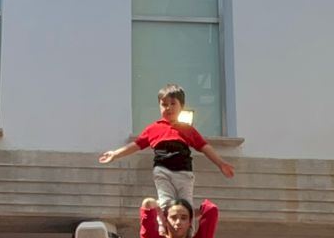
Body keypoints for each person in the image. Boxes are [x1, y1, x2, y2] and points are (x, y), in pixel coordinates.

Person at [98, 84, 234, 213]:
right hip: (162, 172)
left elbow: (205, 147)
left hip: (184, 173)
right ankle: (162, 223)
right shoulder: (153, 128)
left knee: (186, 206)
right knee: (166, 204)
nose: (168, 108)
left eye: (173, 104)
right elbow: (136, 145)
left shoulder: (187, 129)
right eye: (164, 104)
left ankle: (188, 228)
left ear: (181, 106)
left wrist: (220, 163)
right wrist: (115, 154)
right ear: (159, 106)